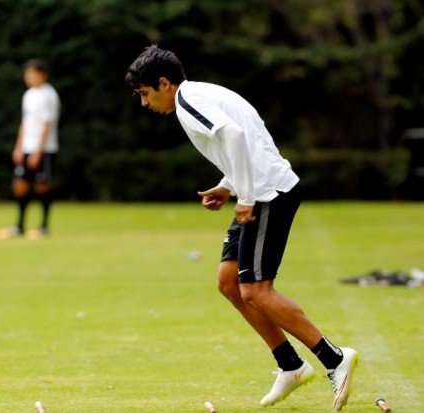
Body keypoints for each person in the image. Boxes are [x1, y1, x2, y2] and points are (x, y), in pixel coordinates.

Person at [125, 46, 358, 411]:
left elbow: (233, 136)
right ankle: (290, 365)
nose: (144, 103)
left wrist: (245, 197)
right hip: (258, 190)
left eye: (144, 93)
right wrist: (228, 185)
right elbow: (243, 144)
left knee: (256, 292)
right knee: (228, 282)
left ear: (164, 84)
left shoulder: (189, 102)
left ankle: (334, 358)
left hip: (269, 195)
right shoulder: (199, 94)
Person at [0, 59, 60, 240]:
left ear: (42, 75)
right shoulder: (29, 95)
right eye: (27, 74)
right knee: (20, 185)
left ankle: (44, 227)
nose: (28, 77)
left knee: (42, 185)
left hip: (44, 148)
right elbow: (25, 123)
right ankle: (19, 226)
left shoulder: (49, 95)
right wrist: (19, 147)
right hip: (27, 147)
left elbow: (47, 124)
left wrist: (38, 151)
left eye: (32, 74)